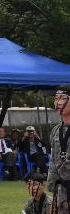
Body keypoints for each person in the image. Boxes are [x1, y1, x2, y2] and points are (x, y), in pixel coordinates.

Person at [47, 85, 70, 214]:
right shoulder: (56, 130)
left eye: (63, 98)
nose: (58, 102)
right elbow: (53, 159)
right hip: (61, 188)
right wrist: (52, 185)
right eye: (56, 98)